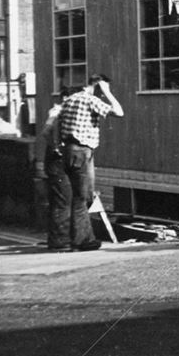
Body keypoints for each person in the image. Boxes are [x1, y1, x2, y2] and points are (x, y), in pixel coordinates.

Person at [58, 74, 125, 251]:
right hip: (82, 151)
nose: (102, 96)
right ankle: (81, 241)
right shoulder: (90, 100)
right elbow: (119, 112)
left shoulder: (70, 99)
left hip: (68, 150)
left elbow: (60, 126)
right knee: (83, 197)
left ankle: (80, 238)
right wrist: (108, 93)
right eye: (101, 91)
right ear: (97, 86)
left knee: (77, 196)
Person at [35, 86, 96, 252]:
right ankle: (64, 240)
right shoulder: (59, 110)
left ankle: (68, 240)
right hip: (59, 156)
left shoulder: (63, 111)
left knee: (68, 199)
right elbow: (47, 131)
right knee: (67, 200)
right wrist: (55, 147)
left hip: (61, 156)